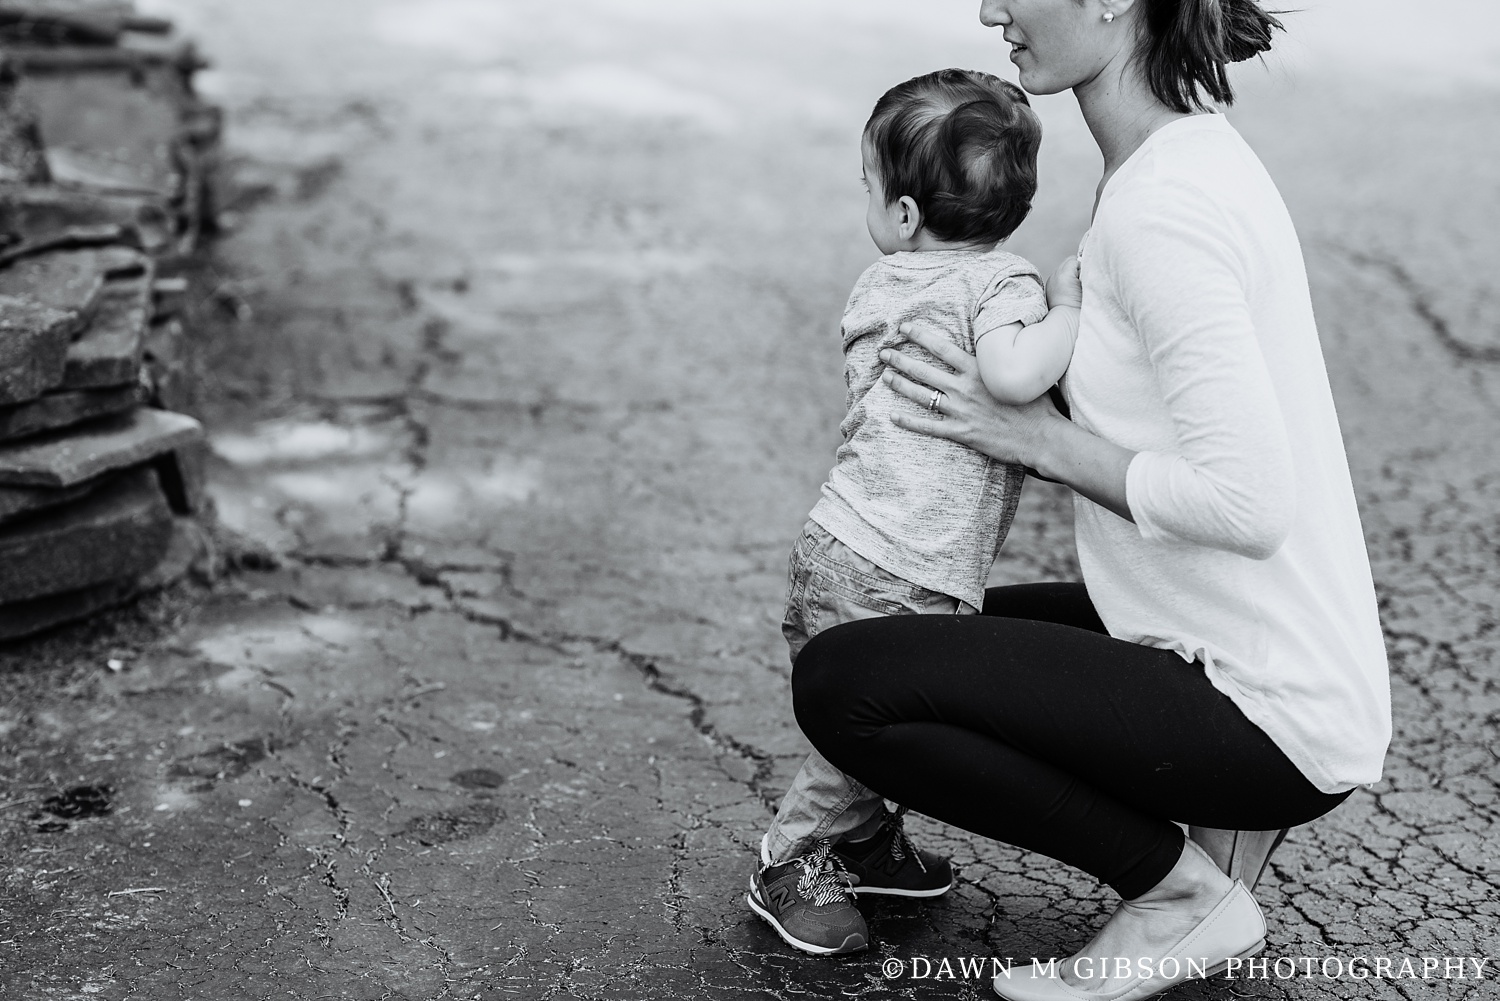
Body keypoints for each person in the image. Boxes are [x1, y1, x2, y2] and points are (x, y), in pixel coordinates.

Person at [790, 1, 1393, 999]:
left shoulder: (1165, 210)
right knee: (931, 632)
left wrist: (1043, 441)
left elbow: (1250, 500)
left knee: (848, 679)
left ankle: (1176, 892)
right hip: (1244, 650)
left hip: (1265, 705)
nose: (989, 9)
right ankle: (1222, 839)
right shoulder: (1177, 160)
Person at [746, 68, 1084, 957]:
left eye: (867, 185)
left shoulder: (885, 282)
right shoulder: (1004, 290)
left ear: (902, 213)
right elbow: (1017, 376)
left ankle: (859, 840)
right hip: (904, 559)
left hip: (844, 541)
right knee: (878, 726)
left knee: (886, 719)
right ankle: (792, 854)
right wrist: (1073, 308)